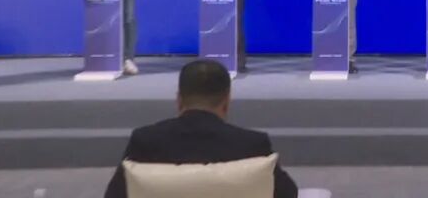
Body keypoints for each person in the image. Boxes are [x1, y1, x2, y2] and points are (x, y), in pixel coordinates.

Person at [104, 59, 298, 198]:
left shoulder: (145, 140)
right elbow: (288, 193)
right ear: (226, 102)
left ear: (179, 100)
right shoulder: (252, 144)